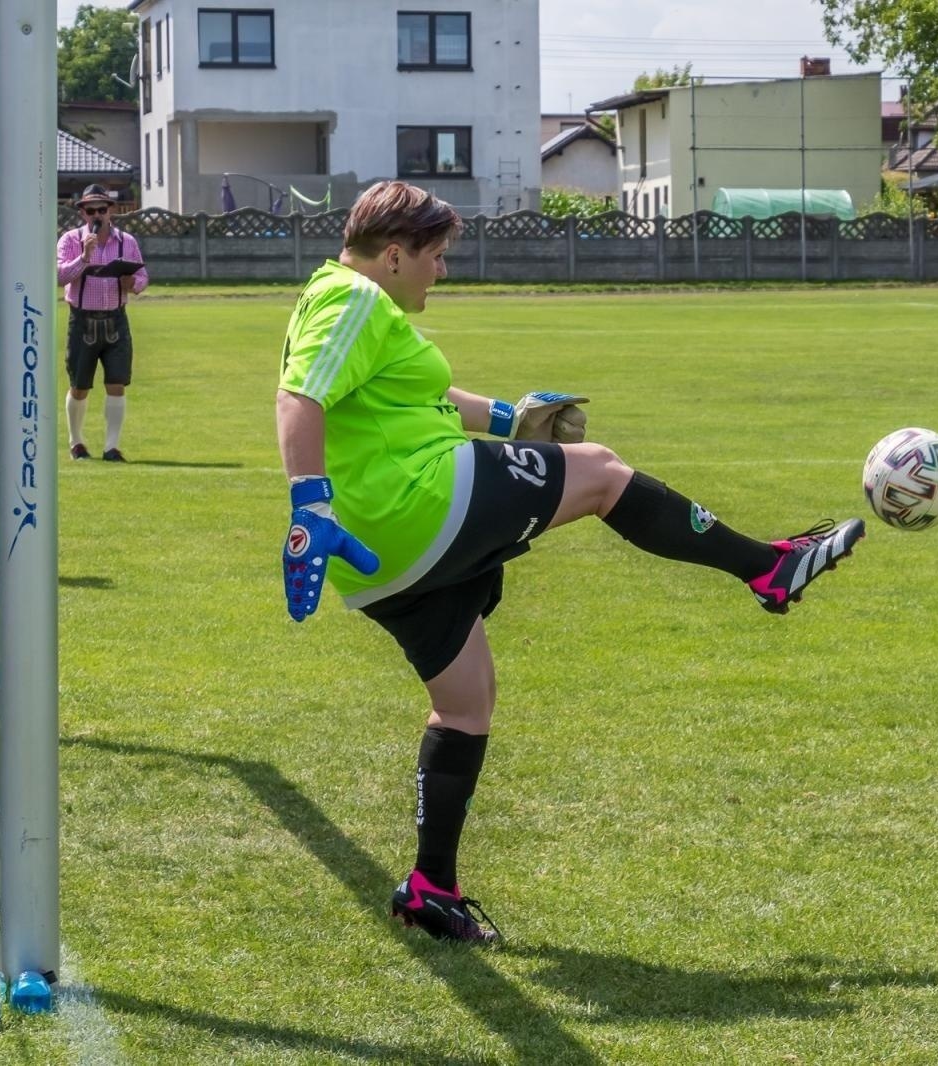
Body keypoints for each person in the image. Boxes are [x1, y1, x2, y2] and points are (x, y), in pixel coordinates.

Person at [276, 181, 865, 944]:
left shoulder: (342, 297)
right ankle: (768, 568)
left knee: (466, 705)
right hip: (414, 501)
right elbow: (300, 397)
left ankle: (430, 888)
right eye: (436, 256)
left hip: (381, 562)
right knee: (602, 473)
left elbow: (414, 396)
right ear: (394, 255)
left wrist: (511, 418)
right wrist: (309, 504)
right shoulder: (355, 299)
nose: (442, 272)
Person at [55, 184, 149, 462]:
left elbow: (143, 276)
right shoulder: (70, 240)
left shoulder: (127, 242)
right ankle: (76, 442)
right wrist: (84, 257)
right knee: (79, 386)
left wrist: (132, 283)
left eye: (102, 209)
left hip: (116, 320)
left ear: (111, 211)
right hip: (82, 321)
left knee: (117, 383)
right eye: (91, 210)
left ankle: (111, 447)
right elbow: (59, 276)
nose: (97, 215)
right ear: (82, 213)